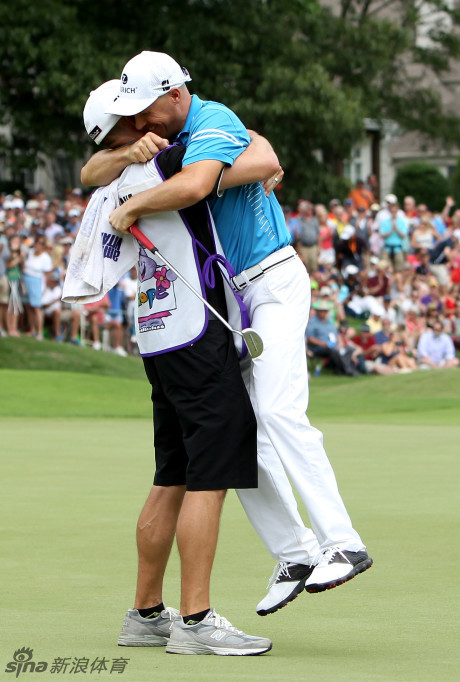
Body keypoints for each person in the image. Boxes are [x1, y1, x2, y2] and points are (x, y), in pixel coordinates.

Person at [93, 52, 371, 617]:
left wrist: (134, 204)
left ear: (175, 95)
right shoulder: (172, 137)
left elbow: (196, 185)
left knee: (275, 409)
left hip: (272, 279)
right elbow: (92, 171)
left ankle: (343, 541)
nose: (143, 121)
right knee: (240, 428)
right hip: (235, 297)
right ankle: (295, 553)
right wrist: (129, 155)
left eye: (148, 110)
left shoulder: (213, 120)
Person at [75, 81, 270, 654]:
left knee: (172, 476)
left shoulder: (116, 175)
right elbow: (260, 157)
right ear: (129, 128)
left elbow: (90, 169)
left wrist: (120, 154)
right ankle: (195, 621)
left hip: (158, 337)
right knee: (208, 480)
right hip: (198, 333)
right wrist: (251, 149)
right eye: (135, 114)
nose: (149, 117)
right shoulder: (168, 162)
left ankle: (145, 613)